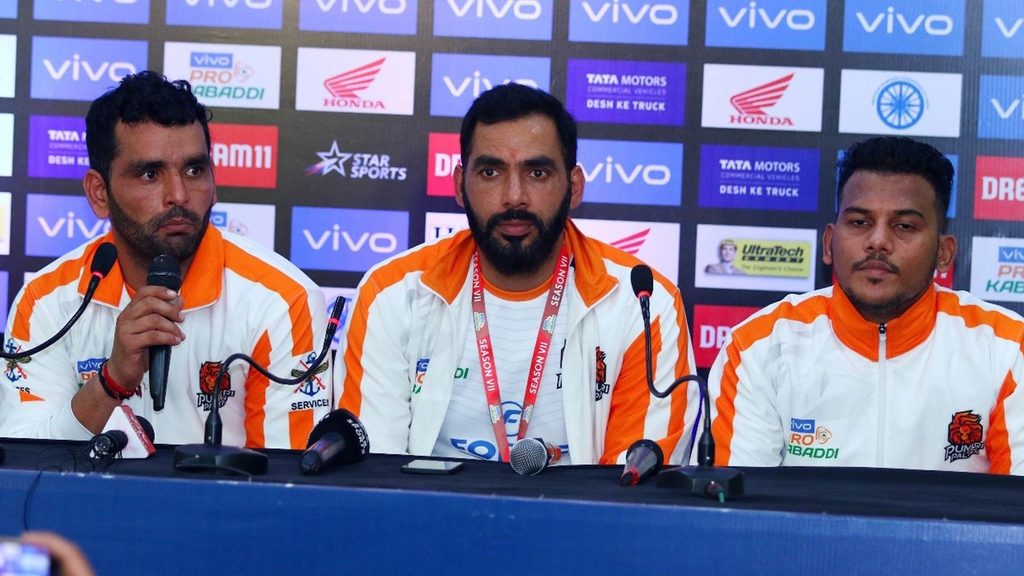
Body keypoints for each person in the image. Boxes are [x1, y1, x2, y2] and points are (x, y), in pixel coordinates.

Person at [334, 83, 695, 464]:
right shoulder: (393, 293)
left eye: (537, 173)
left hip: (583, 520)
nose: (513, 197)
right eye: (490, 172)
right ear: (459, 185)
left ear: (573, 188)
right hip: (429, 518)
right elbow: (374, 471)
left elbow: (633, 485)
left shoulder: (643, 303)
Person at [0, 72, 330, 448]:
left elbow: (288, 486)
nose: (179, 194)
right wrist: (110, 382)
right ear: (99, 192)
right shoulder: (43, 302)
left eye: (194, 170)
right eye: (150, 174)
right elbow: (25, 467)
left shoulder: (283, 301)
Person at [707, 136, 1024, 473]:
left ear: (943, 253)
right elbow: (739, 513)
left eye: (904, 226)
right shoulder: (758, 349)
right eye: (860, 222)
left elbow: (1012, 514)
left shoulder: (1005, 350)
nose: (878, 242)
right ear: (829, 243)